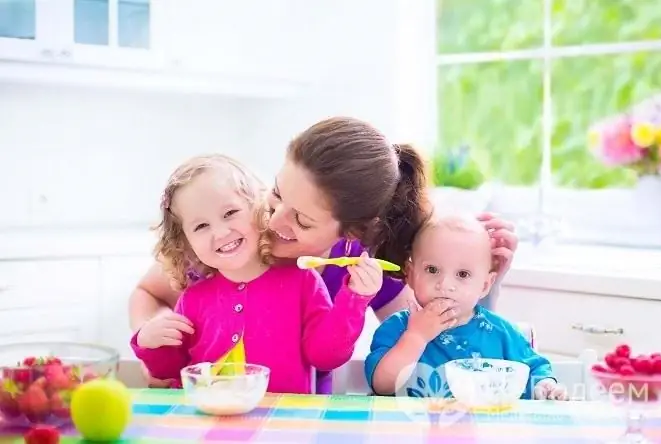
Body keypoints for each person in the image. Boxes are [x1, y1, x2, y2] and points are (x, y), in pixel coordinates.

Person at [128, 116, 519, 391]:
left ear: (349, 235)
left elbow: (440, 341)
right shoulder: (224, 238)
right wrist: (161, 342)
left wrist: (489, 284)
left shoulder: (353, 264)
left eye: (302, 220)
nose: (275, 219)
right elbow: (147, 293)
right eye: (277, 193)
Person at [131, 154, 382, 393]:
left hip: (282, 424)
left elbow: (326, 356)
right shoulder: (192, 299)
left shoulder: (303, 282)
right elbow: (171, 371)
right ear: (185, 242)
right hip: (208, 423)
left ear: (258, 209)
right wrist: (149, 343)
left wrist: (354, 300)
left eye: (230, 213)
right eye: (201, 226)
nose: (220, 233)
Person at [364, 213, 567, 400]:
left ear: (485, 285)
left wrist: (545, 385)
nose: (445, 285)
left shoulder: (501, 332)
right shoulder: (398, 328)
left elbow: (535, 369)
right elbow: (383, 386)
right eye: (432, 269)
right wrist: (416, 337)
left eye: (462, 274)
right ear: (410, 274)